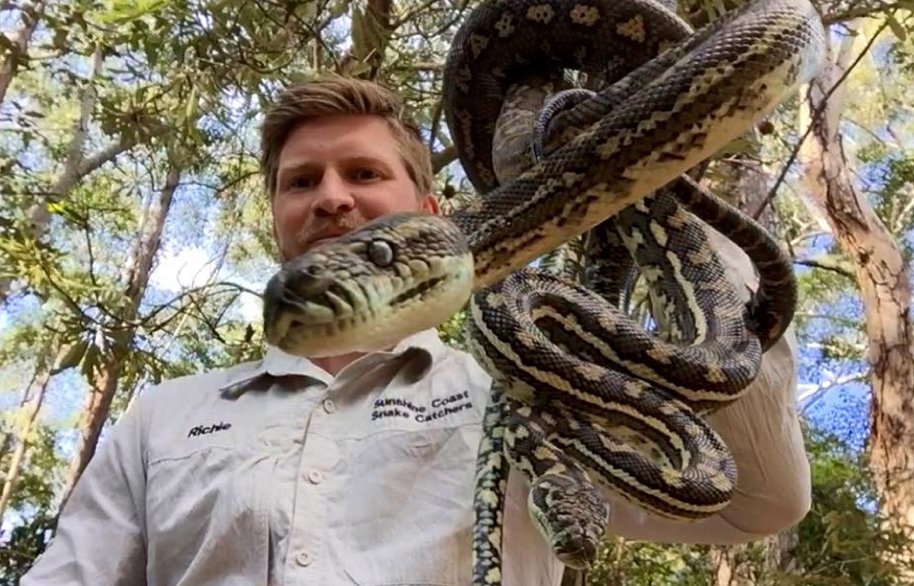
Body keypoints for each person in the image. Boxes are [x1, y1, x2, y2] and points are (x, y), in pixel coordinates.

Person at [20, 75, 810, 586]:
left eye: (364, 174)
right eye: (302, 182)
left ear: (435, 216)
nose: (331, 198)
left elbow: (760, 503)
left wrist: (655, 188)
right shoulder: (167, 415)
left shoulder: (517, 387)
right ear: (278, 221)